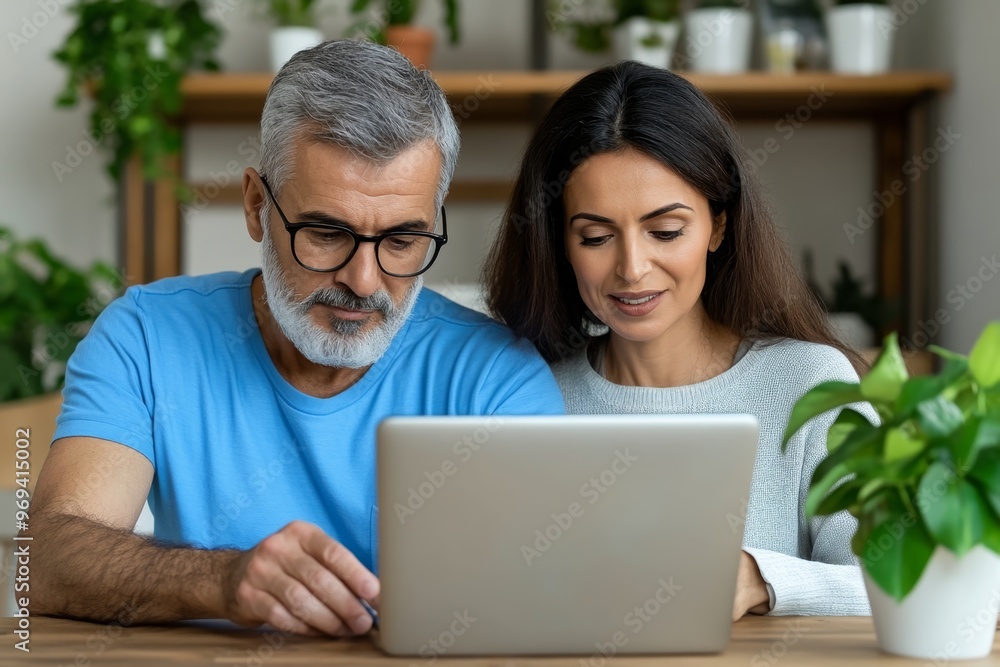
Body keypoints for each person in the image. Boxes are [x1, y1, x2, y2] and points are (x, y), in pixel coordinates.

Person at [30, 40, 564, 637]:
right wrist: (222, 581)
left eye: (402, 240)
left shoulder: (495, 377)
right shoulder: (147, 337)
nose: (364, 282)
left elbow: (540, 600)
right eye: (326, 233)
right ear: (258, 205)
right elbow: (46, 564)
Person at [485, 61, 875, 619]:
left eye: (666, 231)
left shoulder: (810, 384)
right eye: (595, 237)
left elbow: (902, 587)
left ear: (718, 225)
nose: (632, 268)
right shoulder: (528, 396)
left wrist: (759, 579)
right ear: (559, 244)